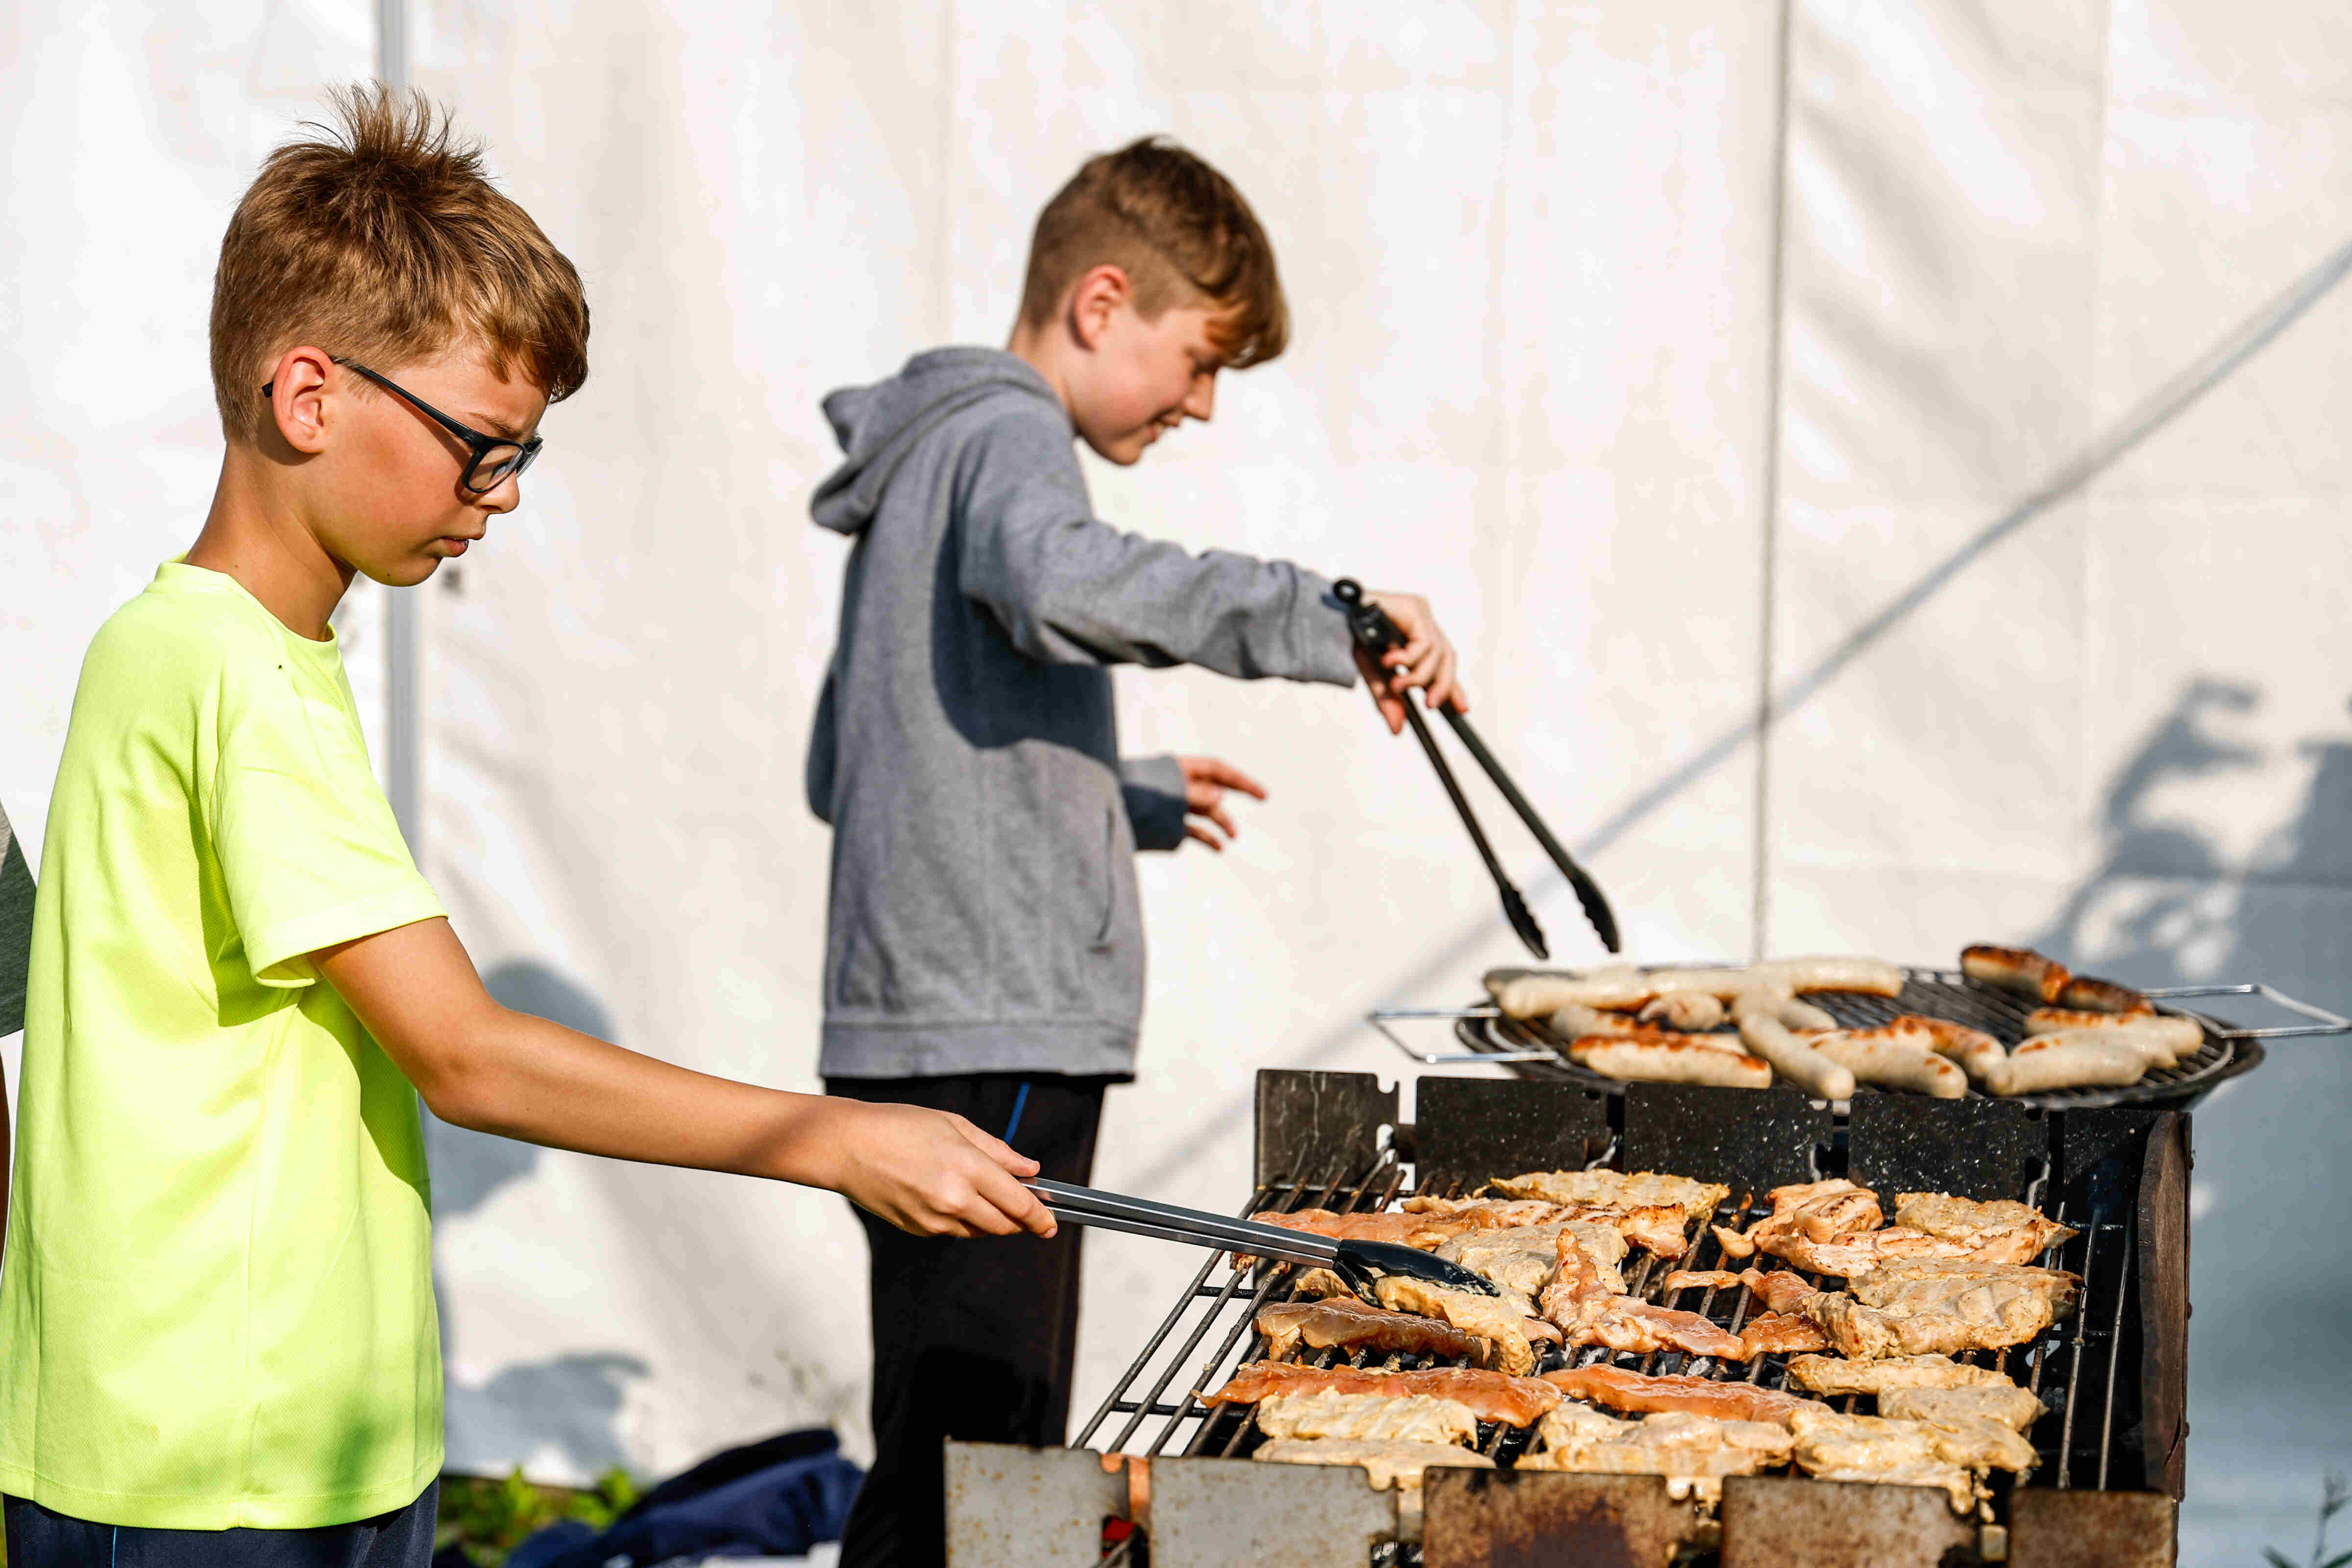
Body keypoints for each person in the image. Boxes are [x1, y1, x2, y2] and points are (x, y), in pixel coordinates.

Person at [0, 86, 1054, 1568]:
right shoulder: (232, 672)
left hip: (296, 1441)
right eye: (476, 446)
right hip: (207, 1465)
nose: (496, 497)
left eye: (522, 457)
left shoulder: (207, 654)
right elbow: (466, 1055)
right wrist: (834, 1140)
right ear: (310, 398)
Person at [805, 136, 1468, 1567]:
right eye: (1200, 358)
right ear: (1102, 303)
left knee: (942, 1440)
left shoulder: (927, 460)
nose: (1207, 404)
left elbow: (852, 760)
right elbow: (1059, 580)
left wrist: (1120, 792)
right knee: (976, 1473)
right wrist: (1323, 613)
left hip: (921, 1022)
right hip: (993, 1030)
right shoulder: (1005, 438)